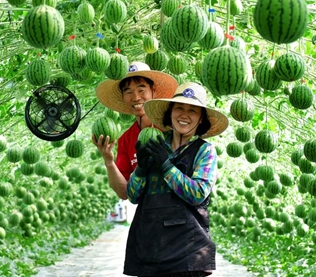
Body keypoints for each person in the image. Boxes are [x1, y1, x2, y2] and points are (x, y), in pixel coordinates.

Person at [124, 82, 228, 277]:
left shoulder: (205, 151)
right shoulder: (153, 141)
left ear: (200, 120)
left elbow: (197, 193)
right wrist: (141, 169)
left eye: (193, 111)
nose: (184, 115)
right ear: (170, 112)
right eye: (179, 108)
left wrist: (166, 165)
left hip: (187, 252)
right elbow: (133, 196)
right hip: (149, 246)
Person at [93, 61, 178, 199]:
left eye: (141, 90)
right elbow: (124, 193)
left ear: (153, 91)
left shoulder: (171, 127)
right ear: (123, 97)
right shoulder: (126, 139)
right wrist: (108, 161)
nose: (136, 97)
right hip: (148, 215)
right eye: (128, 92)